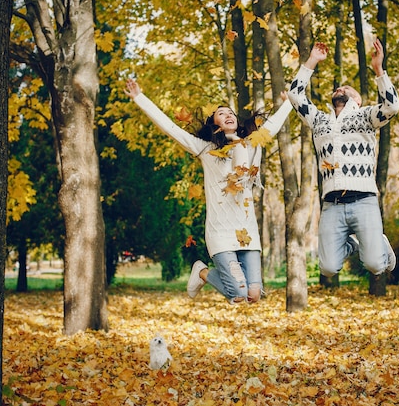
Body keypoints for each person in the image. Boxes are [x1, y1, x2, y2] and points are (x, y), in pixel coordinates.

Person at [124, 79, 292, 303]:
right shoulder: (206, 149)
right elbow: (171, 128)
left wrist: (290, 102)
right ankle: (201, 271)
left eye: (230, 112)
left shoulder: (252, 143)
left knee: (253, 296)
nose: (228, 115)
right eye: (221, 114)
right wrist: (139, 98)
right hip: (220, 232)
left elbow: (275, 123)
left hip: (247, 230)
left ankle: (206, 274)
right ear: (215, 125)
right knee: (239, 295)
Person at [286, 38, 399, 277]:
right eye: (339, 88)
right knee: (327, 268)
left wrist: (379, 70)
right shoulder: (319, 120)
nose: (341, 89)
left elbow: (391, 106)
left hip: (364, 201)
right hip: (332, 204)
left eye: (348, 89)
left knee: (375, 265)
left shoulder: (366, 116)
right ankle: (354, 243)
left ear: (357, 100)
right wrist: (312, 61)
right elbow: (295, 96)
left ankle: (379, 245)